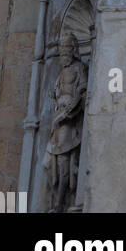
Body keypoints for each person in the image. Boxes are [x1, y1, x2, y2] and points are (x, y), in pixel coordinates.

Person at [43, 33, 87, 212]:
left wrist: (69, 111)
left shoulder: (78, 68)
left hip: (68, 121)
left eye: (66, 49)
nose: (62, 53)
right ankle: (55, 200)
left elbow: (82, 90)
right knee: (48, 164)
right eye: (61, 50)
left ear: (73, 49)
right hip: (57, 120)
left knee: (64, 167)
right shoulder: (61, 71)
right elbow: (58, 93)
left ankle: (59, 204)